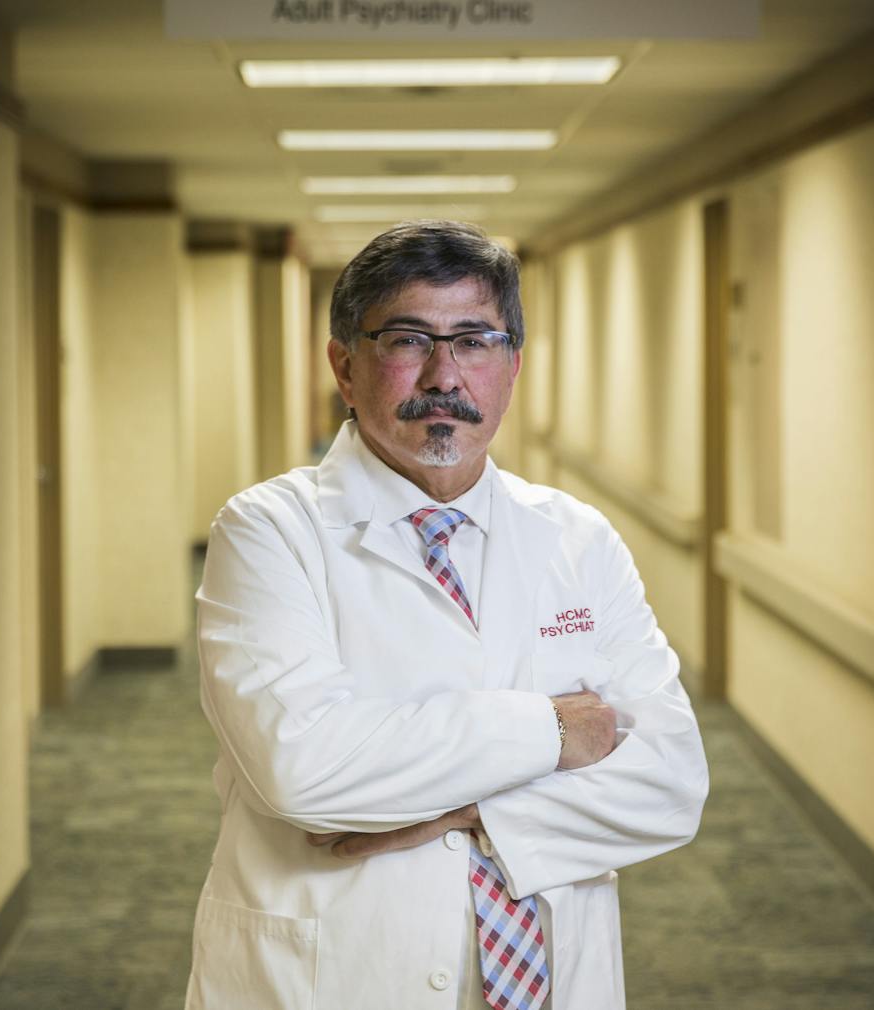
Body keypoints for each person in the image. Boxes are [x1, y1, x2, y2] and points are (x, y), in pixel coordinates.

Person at [184, 220, 708, 1010]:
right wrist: (556, 734)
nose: (444, 374)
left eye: (474, 340)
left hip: (548, 978)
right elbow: (304, 769)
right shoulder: (269, 531)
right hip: (339, 976)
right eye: (407, 339)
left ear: (513, 365)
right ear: (344, 366)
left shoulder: (577, 538)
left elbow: (670, 783)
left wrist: (461, 809)